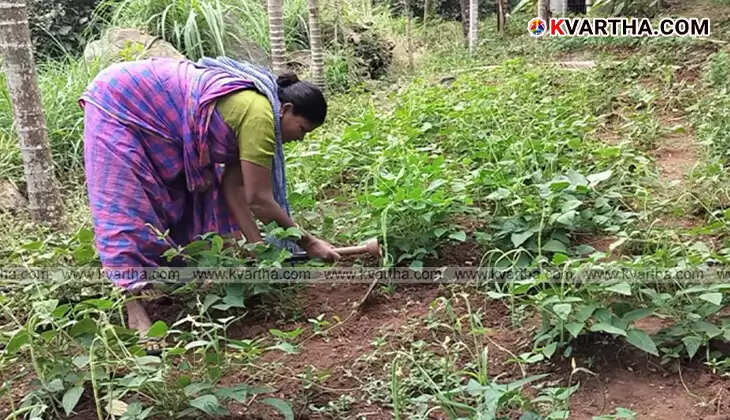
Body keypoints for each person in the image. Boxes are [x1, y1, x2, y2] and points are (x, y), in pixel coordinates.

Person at [80, 57, 340, 335]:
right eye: (302, 129)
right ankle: (134, 308)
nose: (299, 139)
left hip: (156, 112)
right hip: (120, 101)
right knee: (124, 204)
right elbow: (259, 199)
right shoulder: (261, 117)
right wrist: (309, 242)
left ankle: (177, 276)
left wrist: (259, 254)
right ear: (286, 109)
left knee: (198, 193)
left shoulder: (256, 111)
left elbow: (233, 188)